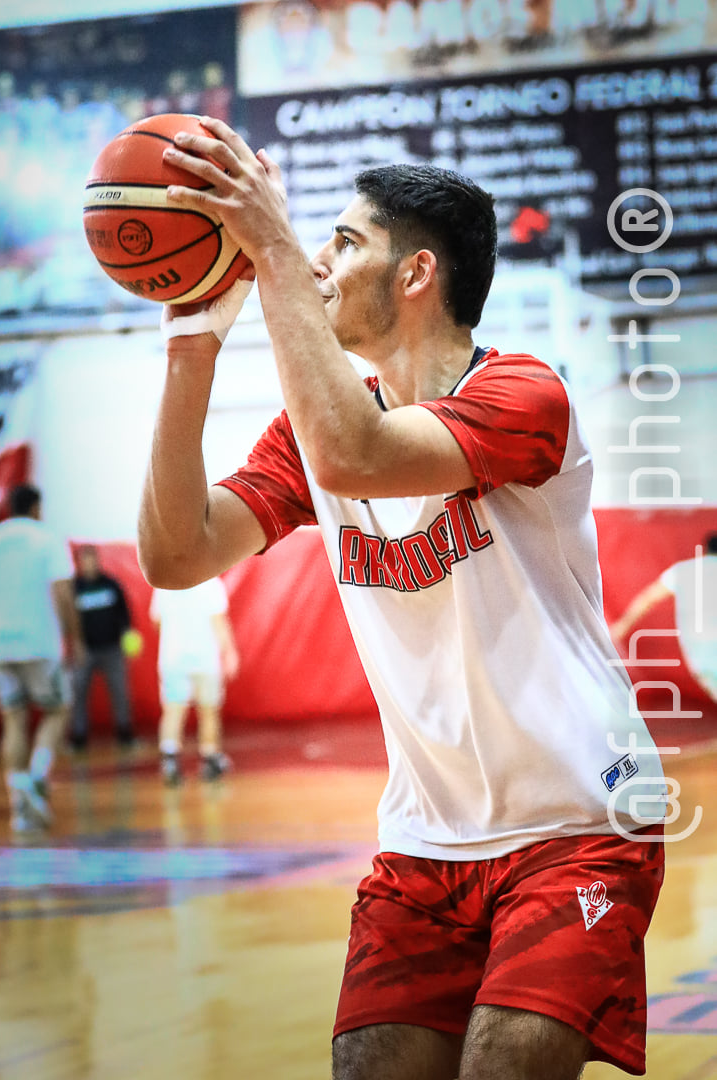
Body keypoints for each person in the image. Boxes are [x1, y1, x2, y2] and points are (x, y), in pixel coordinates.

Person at [136, 116, 668, 1079]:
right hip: (424, 845)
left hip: (579, 825)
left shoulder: (523, 393)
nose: (318, 261)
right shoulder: (319, 429)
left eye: (344, 242)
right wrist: (189, 350)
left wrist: (268, 250)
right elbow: (177, 555)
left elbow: (358, 455)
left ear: (416, 274)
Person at [0, 483, 84, 833]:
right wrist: (74, 637)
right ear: (36, 508)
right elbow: (62, 592)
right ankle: (37, 776)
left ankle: (19, 804)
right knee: (57, 710)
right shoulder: (48, 539)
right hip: (40, 642)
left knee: (13, 718)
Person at [149, 576, 239, 785]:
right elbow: (219, 622)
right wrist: (230, 652)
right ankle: (210, 760)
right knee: (208, 710)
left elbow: (157, 621)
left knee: (173, 709)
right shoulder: (211, 584)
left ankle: (169, 759)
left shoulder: (165, 584)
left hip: (172, 659)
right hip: (204, 658)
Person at [610, 532, 717, 702]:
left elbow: (648, 599)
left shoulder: (684, 570)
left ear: (705, 550)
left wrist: (622, 626)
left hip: (699, 648)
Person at [70, 544, 136, 750]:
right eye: (85, 560)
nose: (89, 564)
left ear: (98, 561)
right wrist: (74, 645)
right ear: (80, 563)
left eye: (92, 559)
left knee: (120, 692)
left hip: (112, 649)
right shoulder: (74, 589)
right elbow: (68, 619)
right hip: (85, 651)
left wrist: (126, 637)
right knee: (78, 693)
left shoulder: (111, 585)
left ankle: (125, 735)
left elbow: (124, 615)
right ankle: (78, 739)